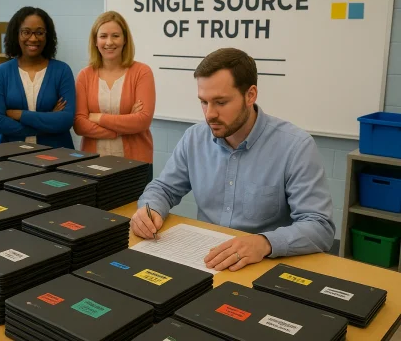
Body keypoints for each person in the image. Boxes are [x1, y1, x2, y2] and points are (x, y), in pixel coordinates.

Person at [130, 48, 335, 272]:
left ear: (250, 95)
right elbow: (164, 188)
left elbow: (319, 226)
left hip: (263, 266)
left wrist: (264, 243)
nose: (209, 114)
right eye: (203, 102)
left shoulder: (295, 146)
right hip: (204, 260)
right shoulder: (195, 138)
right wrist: (149, 211)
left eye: (220, 102)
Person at [74, 11, 155, 180]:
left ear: (125, 39)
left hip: (135, 163)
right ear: (95, 41)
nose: (109, 42)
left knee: (134, 207)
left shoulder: (142, 72)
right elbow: (79, 125)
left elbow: (142, 120)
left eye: (115, 36)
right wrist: (123, 125)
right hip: (93, 164)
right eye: (103, 36)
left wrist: (98, 117)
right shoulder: (85, 76)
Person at [0, 7, 75, 148]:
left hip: (57, 156)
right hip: (11, 157)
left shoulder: (62, 71)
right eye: (26, 32)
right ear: (16, 34)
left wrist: (20, 115)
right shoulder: (1, 73)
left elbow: (65, 120)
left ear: (47, 35)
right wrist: (49, 119)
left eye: (39, 32)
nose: (33, 38)